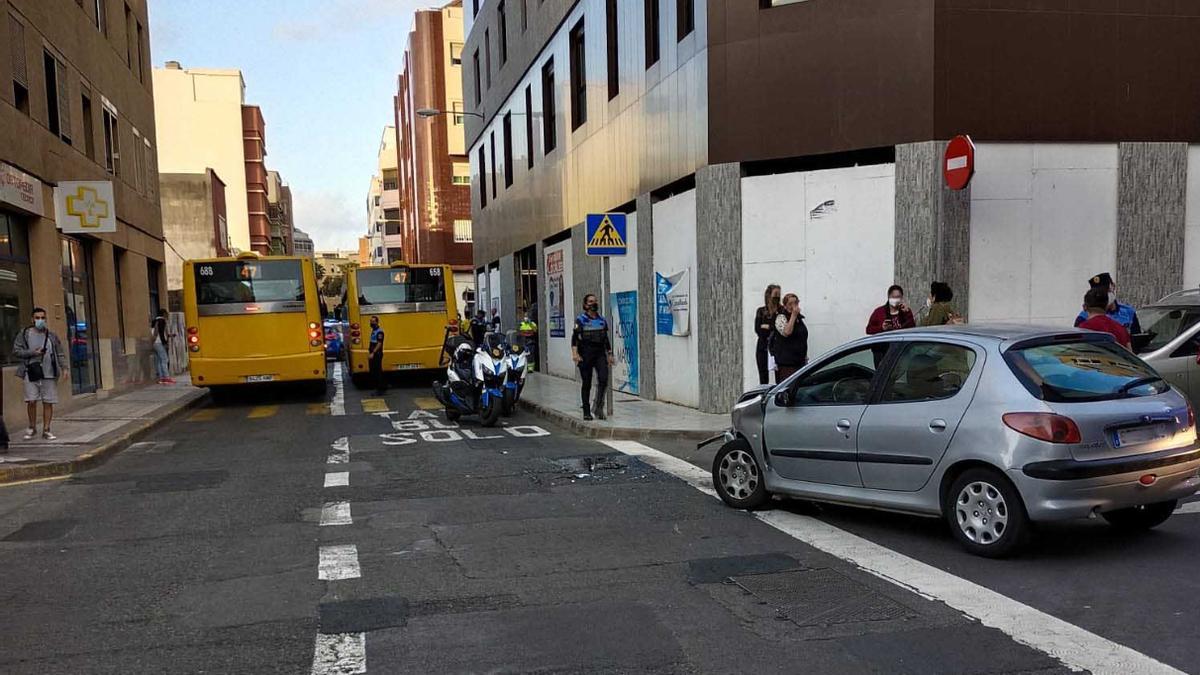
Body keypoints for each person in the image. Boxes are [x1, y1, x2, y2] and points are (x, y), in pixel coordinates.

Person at [13, 307, 65, 441]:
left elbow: (60, 352)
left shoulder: (51, 336)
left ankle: (47, 430)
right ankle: (32, 427)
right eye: (37, 318)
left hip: (48, 372)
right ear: (32, 319)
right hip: (30, 372)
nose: (40, 320)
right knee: (31, 401)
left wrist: (64, 368)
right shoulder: (24, 334)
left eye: (42, 318)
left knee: (48, 402)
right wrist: (33, 352)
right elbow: (16, 351)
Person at [571, 293, 613, 421]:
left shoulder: (601, 320)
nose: (593, 304)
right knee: (587, 383)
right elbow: (574, 339)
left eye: (595, 301)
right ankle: (586, 410)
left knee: (603, 379)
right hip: (586, 353)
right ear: (585, 305)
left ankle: (598, 407)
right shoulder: (581, 320)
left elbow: (605, 339)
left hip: (599, 353)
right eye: (590, 302)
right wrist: (575, 354)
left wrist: (609, 354)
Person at [1073, 272, 1141, 334]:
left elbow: (1136, 339)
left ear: (1113, 286)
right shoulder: (1084, 316)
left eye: (1106, 290)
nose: (1103, 294)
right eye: (1099, 292)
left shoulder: (1128, 311)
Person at [772, 294, 808, 381]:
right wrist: (793, 316)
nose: (793, 306)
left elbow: (802, 337)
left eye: (795, 303)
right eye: (790, 304)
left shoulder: (799, 319)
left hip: (800, 361)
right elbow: (787, 332)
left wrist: (805, 356)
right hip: (787, 364)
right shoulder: (781, 318)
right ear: (785, 306)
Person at [754, 285, 781, 385]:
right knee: (763, 376)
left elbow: (780, 328)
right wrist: (772, 327)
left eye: (778, 295)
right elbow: (758, 329)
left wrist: (768, 326)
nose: (777, 297)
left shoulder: (781, 311)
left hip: (777, 347)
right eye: (775, 295)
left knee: (779, 376)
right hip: (763, 346)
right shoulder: (761, 311)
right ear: (769, 295)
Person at [151, 309, 176, 385]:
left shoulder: (154, 321)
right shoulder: (162, 321)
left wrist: (169, 335)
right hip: (159, 343)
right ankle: (166, 377)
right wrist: (165, 343)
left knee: (159, 361)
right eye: (166, 314)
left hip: (155, 343)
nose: (167, 315)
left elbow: (156, 333)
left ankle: (161, 378)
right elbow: (161, 333)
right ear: (164, 314)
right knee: (165, 359)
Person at [368, 315, 386, 395]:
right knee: (374, 371)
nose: (371, 323)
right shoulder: (374, 331)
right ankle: (380, 387)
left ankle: (380, 389)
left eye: (373, 321)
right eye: (371, 321)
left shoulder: (379, 332)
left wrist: (373, 353)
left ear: (377, 322)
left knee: (377, 371)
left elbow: (379, 343)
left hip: (377, 354)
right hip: (373, 353)